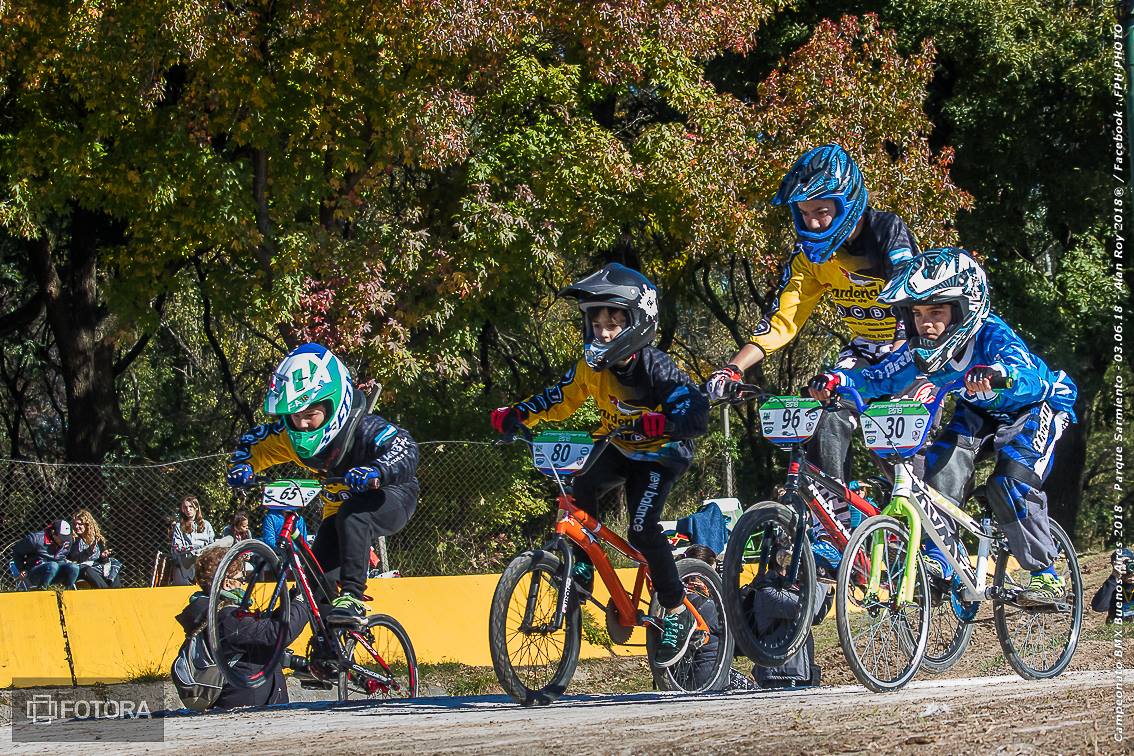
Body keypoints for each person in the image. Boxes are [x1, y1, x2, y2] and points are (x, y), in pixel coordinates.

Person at [808, 247, 1078, 606]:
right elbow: (877, 377)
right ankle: (941, 560)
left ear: (965, 308)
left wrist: (1001, 375)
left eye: (937, 311)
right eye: (917, 314)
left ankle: (1047, 576)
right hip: (979, 410)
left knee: (1008, 483)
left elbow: (1029, 376)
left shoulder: (992, 336)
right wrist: (838, 379)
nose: (926, 323)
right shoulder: (920, 350)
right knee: (935, 474)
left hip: (1034, 406)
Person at [490, 263, 709, 668]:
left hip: (662, 455)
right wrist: (517, 414)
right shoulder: (589, 367)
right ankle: (585, 568)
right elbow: (558, 399)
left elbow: (697, 412)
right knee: (579, 487)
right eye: (596, 322)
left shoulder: (657, 367)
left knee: (642, 530)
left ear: (638, 322)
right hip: (619, 446)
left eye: (613, 322)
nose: (603, 332)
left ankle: (677, 611)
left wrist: (666, 421)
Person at [706, 144, 920, 487]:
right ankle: (832, 528)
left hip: (911, 350)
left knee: (896, 448)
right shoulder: (808, 256)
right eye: (804, 214)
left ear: (847, 202)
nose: (813, 223)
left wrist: (899, 348)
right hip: (864, 350)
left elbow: (909, 294)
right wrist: (734, 368)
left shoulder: (886, 230)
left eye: (822, 211)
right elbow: (782, 320)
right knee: (825, 416)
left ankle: (930, 530)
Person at [225, 342, 419, 626]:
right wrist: (242, 466)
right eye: (294, 417)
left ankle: (353, 596)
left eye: (309, 415)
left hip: (392, 496)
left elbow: (406, 447)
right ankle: (329, 656)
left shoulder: (365, 428)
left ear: (333, 405)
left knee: (354, 514)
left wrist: (377, 470)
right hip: (337, 514)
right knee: (314, 583)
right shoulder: (289, 436)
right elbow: (253, 443)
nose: (301, 425)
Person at [174, 545, 309, 709]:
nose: (244, 583)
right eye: (241, 578)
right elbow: (277, 634)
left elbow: (261, 630)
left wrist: (292, 599)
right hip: (248, 709)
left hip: (246, 701)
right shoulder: (225, 617)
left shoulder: (212, 612)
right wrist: (303, 603)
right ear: (227, 583)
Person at [741, 537, 831, 689]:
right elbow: (809, 608)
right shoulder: (766, 592)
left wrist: (828, 591)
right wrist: (817, 580)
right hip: (780, 677)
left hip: (798, 673)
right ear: (782, 560)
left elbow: (816, 617)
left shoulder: (785, 589)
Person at [683, 544, 756, 691]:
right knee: (757, 693)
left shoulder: (679, 600)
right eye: (714, 572)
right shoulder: (705, 605)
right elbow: (735, 629)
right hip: (707, 676)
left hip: (688, 676)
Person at [12, 520, 75, 589]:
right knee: (53, 566)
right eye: (62, 538)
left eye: (66, 538)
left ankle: (68, 594)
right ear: (53, 533)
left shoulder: (67, 541)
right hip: (36, 571)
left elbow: (62, 558)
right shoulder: (35, 539)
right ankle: (42, 591)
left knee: (74, 567)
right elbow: (17, 551)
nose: (64, 541)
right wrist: (22, 568)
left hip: (57, 571)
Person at [68, 509, 121, 589]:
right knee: (86, 569)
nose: (76, 527)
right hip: (81, 568)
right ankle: (105, 592)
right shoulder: (74, 539)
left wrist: (104, 557)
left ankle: (116, 593)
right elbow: (73, 558)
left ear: (87, 525)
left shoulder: (97, 539)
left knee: (113, 567)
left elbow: (101, 561)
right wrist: (89, 551)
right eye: (75, 524)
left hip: (97, 567)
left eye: (79, 524)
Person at [171, 495, 216, 586]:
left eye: (190, 507)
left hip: (204, 557)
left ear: (196, 507)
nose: (188, 509)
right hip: (188, 558)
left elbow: (212, 544)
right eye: (185, 507)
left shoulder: (206, 525)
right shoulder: (179, 527)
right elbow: (177, 547)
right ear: (182, 510)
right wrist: (192, 548)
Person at [1091, 548, 1134, 623]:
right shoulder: (1113, 585)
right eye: (1121, 563)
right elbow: (1099, 607)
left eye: (1127, 562)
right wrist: (1114, 577)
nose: (1126, 567)